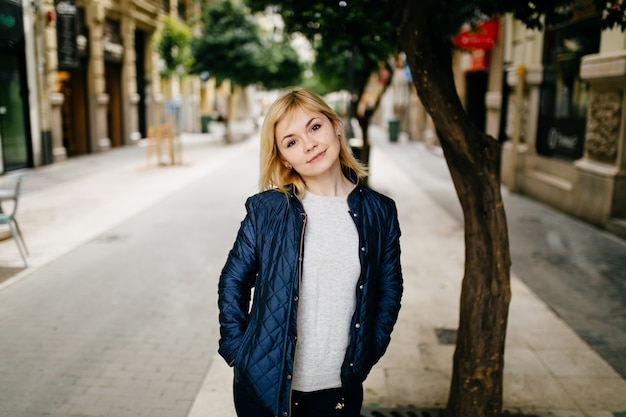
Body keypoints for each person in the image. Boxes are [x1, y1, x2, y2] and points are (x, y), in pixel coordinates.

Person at [217, 87, 403, 417]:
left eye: (314, 127)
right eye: (291, 141)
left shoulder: (380, 211)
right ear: (284, 158)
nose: (309, 144)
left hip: (338, 392)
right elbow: (233, 282)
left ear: (335, 126)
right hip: (263, 390)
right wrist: (236, 350)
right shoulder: (267, 210)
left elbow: (389, 289)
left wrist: (370, 350)